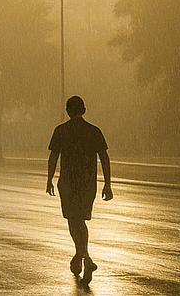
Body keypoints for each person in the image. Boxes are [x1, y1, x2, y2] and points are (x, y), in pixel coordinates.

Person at [46, 95, 112, 285]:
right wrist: (108, 183)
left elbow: (53, 157)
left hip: (67, 183)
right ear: (83, 110)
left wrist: (50, 179)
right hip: (87, 183)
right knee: (80, 220)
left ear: (68, 111)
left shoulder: (61, 130)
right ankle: (81, 256)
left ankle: (85, 257)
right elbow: (104, 158)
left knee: (74, 221)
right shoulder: (93, 131)